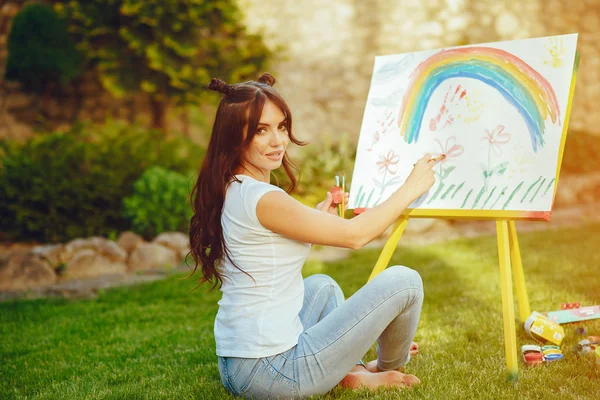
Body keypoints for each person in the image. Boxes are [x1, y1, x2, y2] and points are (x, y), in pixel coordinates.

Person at [188, 73, 436, 399]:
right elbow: (355, 236)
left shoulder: (237, 188)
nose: (278, 140)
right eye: (262, 130)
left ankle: (350, 372)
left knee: (322, 287)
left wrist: (319, 217)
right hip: (274, 372)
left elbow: (271, 241)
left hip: (238, 365)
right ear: (236, 137)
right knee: (405, 281)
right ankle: (386, 365)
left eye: (281, 126)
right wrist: (411, 188)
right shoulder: (263, 198)